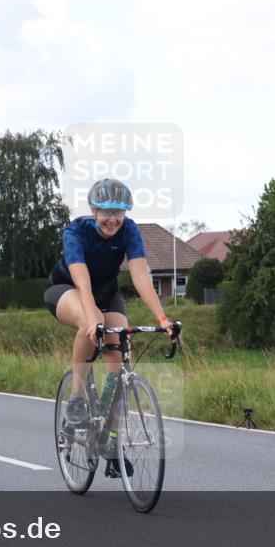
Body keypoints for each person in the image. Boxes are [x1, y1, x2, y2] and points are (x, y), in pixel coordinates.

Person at [44, 179, 175, 478]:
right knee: (92, 323)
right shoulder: (76, 231)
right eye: (106, 212)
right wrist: (92, 318)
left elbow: (140, 277)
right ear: (94, 210)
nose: (112, 219)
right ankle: (76, 399)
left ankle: (111, 443)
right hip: (67, 289)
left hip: (106, 292)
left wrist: (162, 319)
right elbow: (82, 282)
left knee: (119, 354)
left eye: (119, 212)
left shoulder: (130, 230)